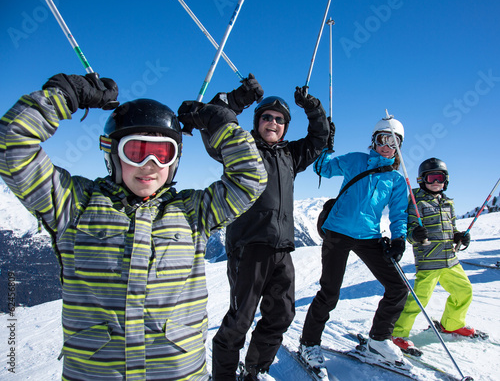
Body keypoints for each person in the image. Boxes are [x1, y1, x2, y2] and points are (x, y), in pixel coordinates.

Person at [0, 73, 267, 380]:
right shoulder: (73, 205)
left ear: (174, 160)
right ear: (112, 153)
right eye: (136, 151)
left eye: (162, 152)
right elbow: (11, 144)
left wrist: (219, 122)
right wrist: (64, 95)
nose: (150, 164)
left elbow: (252, 178)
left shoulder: (194, 212)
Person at [209, 86, 330, 380]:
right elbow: (215, 121)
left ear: (285, 126)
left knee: (281, 314)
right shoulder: (241, 148)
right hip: (248, 247)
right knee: (240, 320)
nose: (272, 123)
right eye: (266, 117)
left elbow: (319, 138)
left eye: (279, 119)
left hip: (281, 249)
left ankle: (254, 370)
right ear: (257, 122)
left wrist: (312, 107)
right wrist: (239, 97)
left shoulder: (290, 155)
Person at [299, 113, 410, 370]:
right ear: (373, 140)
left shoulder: (395, 180)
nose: (387, 146)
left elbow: (398, 213)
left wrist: (399, 239)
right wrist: (325, 146)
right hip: (338, 232)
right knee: (330, 293)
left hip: (369, 236)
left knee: (398, 287)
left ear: (399, 147)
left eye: (394, 142)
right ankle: (308, 343)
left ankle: (378, 340)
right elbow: (322, 169)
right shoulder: (356, 160)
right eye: (383, 138)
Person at [392, 158, 474, 352]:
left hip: (450, 260)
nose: (436, 182)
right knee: (419, 299)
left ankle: (452, 324)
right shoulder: (416, 202)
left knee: (464, 291)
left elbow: (451, 228)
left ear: (446, 180)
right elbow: (409, 232)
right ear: (422, 180)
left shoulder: (447, 203)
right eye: (431, 177)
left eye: (440, 177)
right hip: (429, 261)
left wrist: (459, 237)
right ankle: (398, 332)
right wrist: (415, 235)